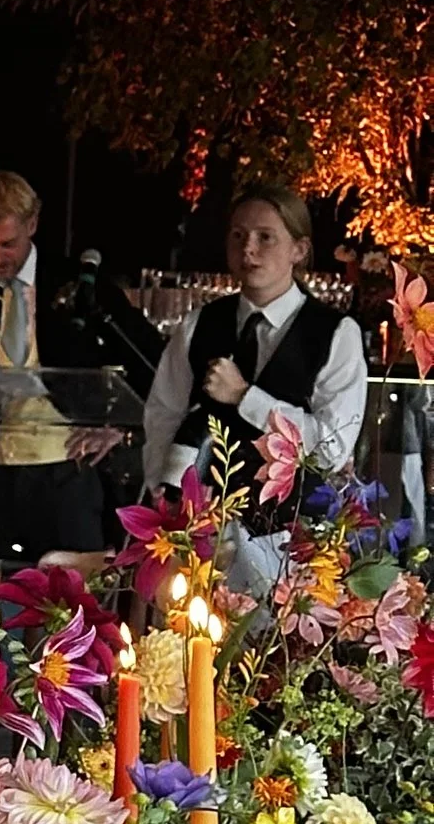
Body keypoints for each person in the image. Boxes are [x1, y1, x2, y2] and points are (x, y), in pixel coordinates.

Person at [141, 184, 367, 588]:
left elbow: (332, 447)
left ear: (298, 249)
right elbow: (163, 414)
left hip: (286, 546)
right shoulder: (200, 324)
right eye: (238, 235)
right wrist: (167, 498)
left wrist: (247, 398)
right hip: (199, 537)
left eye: (266, 237)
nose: (248, 249)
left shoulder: (336, 333)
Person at [0, 169, 113, 561]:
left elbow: (144, 366)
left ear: (33, 223)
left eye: (7, 244)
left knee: (72, 599)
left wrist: (114, 430)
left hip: (69, 471)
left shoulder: (79, 287)